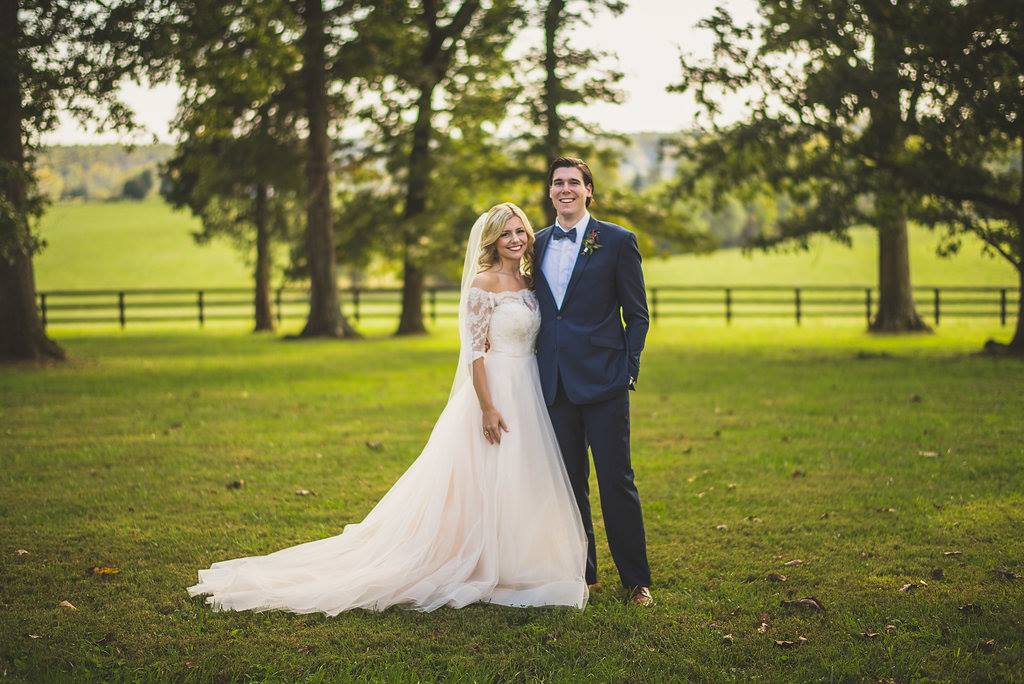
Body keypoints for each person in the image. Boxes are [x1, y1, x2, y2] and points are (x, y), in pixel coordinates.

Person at [187, 203, 588, 614]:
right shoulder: (482, 283)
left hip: (529, 389)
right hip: (496, 390)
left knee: (522, 473)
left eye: (521, 231)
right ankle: (482, 561)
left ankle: (518, 559)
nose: (516, 239)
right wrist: (487, 406)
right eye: (507, 234)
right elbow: (474, 351)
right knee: (488, 475)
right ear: (493, 240)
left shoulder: (528, 281)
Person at [534, 157, 654, 606]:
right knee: (569, 484)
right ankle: (583, 574)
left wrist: (628, 368)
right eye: (557, 183)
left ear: (588, 191)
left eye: (573, 183)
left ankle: (636, 580)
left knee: (616, 481)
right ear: (550, 192)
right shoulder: (537, 243)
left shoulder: (618, 241)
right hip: (555, 385)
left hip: (605, 382)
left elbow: (637, 314)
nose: (565, 189)